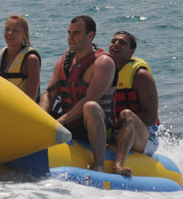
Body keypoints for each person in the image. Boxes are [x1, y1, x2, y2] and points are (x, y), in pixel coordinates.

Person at [40, 15, 115, 172]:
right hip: (69, 123)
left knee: (91, 106)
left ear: (90, 35)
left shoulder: (103, 63)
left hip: (94, 126)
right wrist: (40, 119)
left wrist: (59, 122)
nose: (70, 38)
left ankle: (99, 165)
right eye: (69, 33)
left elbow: (90, 98)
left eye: (76, 33)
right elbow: (49, 94)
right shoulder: (64, 60)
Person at [108, 30, 160, 176]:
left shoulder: (140, 75)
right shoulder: (104, 70)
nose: (116, 44)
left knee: (127, 115)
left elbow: (151, 117)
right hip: (116, 129)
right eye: (113, 41)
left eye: (122, 43)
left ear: (132, 51)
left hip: (145, 137)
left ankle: (119, 165)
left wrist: (119, 122)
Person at [0, 15, 41, 102]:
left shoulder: (31, 60)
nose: (10, 33)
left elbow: (31, 99)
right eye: (7, 29)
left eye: (15, 30)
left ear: (24, 34)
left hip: (21, 109)